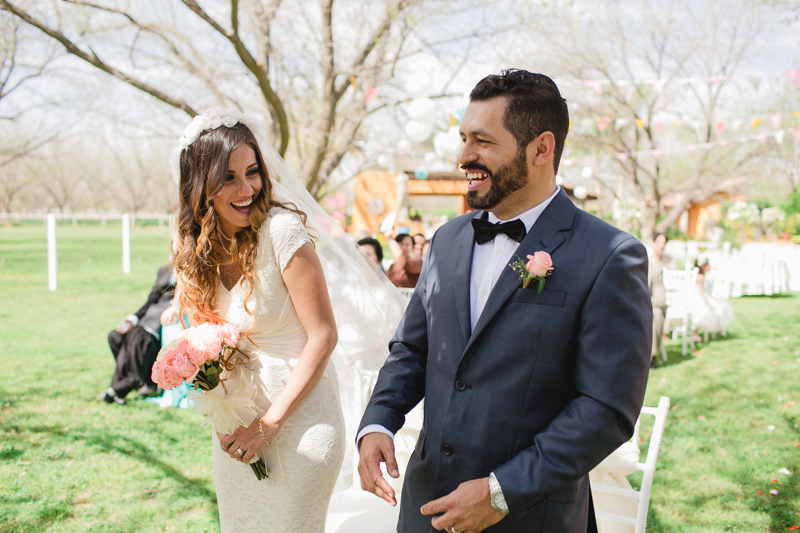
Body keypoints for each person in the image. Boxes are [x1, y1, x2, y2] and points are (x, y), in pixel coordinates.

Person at [357, 69, 652, 533]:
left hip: (531, 517)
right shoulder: (448, 238)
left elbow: (605, 409)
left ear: (541, 148)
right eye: (463, 138)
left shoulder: (611, 256)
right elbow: (412, 349)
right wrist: (378, 422)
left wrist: (500, 491)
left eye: (482, 141)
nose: (464, 157)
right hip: (425, 505)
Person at [171, 109, 351, 532]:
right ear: (200, 185)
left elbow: (323, 336)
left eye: (252, 172)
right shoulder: (195, 247)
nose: (246, 188)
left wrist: (266, 427)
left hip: (301, 420)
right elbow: (206, 342)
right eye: (228, 177)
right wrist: (224, 415)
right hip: (236, 426)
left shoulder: (283, 231)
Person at [98, 265, 177, 405]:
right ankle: (127, 387)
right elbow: (151, 300)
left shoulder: (192, 270)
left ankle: (115, 391)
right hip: (145, 321)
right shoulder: (164, 271)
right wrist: (133, 319)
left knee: (138, 341)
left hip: (160, 324)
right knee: (115, 336)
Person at [689, 258, 734, 340]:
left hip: (703, 296)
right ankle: (716, 329)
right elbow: (701, 292)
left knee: (719, 308)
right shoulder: (700, 277)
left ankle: (718, 328)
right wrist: (706, 301)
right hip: (700, 297)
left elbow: (712, 268)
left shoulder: (700, 274)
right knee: (715, 308)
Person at [648, 233, 668, 367]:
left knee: (657, 313)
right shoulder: (648, 261)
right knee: (655, 314)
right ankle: (651, 356)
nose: (662, 245)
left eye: (664, 243)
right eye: (659, 242)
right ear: (653, 243)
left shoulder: (669, 262)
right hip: (651, 300)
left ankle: (651, 356)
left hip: (665, 300)